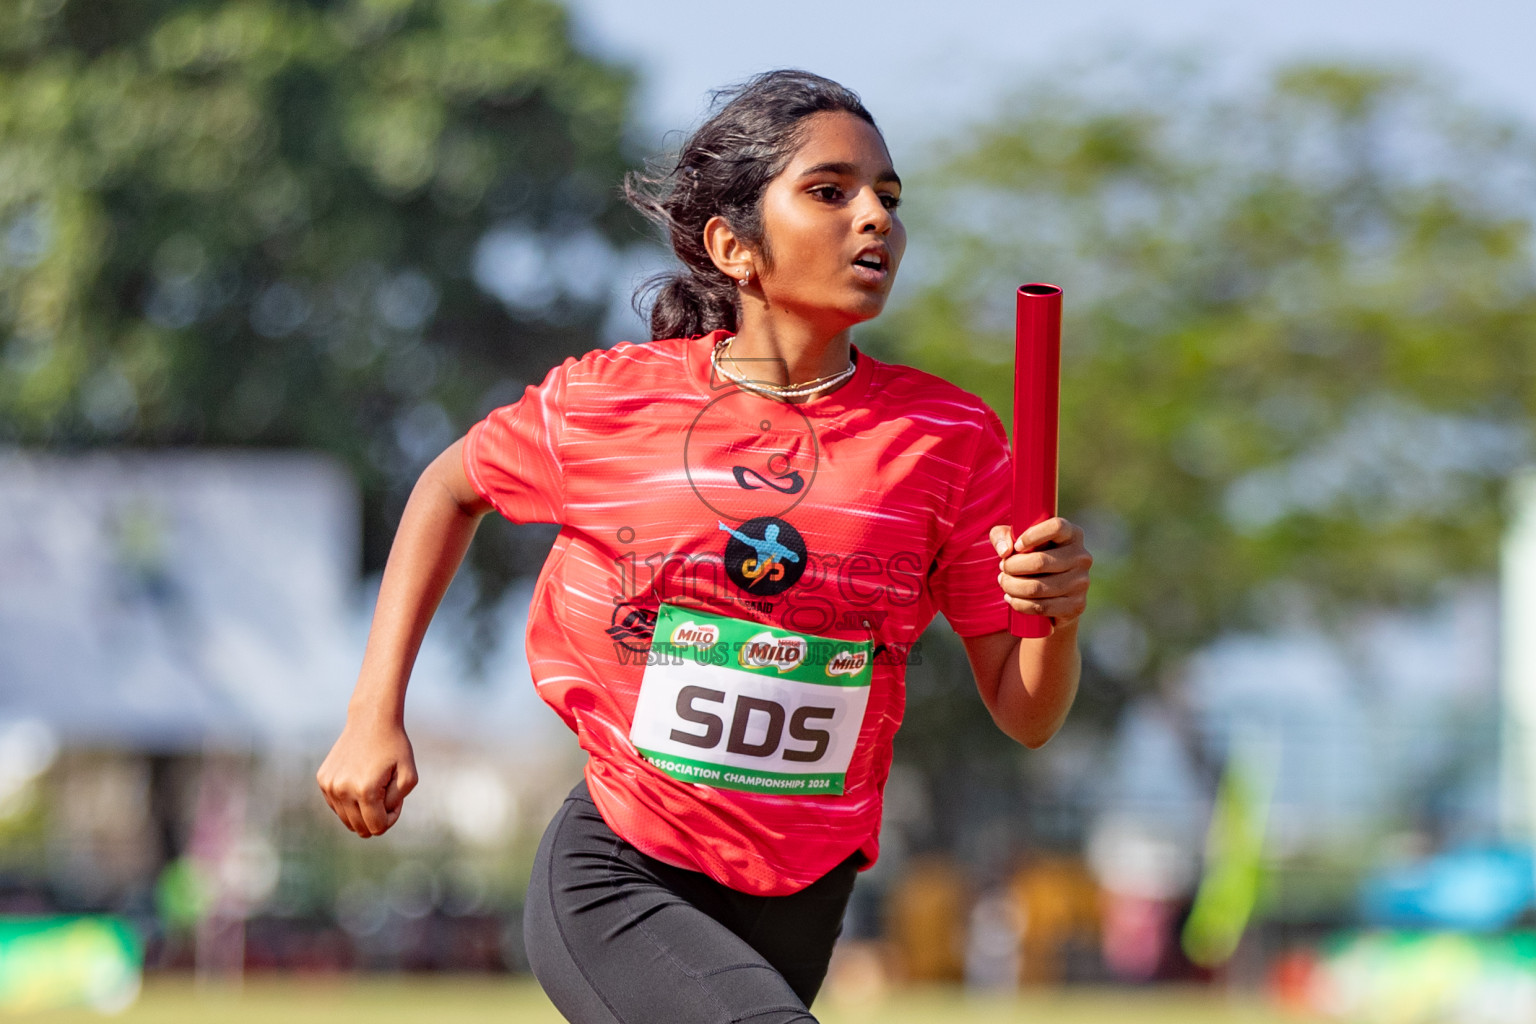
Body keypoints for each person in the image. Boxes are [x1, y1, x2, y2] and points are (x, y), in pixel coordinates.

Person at [317, 70, 1092, 1024]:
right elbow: (447, 487)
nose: (875, 219)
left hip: (808, 888)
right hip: (624, 869)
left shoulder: (950, 438)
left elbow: (1026, 713)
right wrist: (371, 712)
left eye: (889, 198)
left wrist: (1053, 614)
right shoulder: (608, 399)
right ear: (733, 245)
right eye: (830, 191)